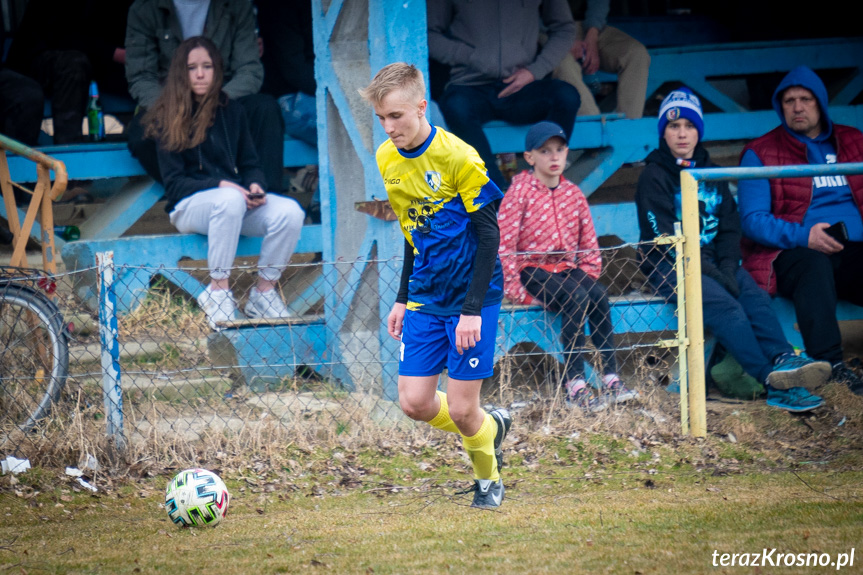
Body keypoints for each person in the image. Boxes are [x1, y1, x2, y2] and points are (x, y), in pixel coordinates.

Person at [359, 63, 512, 509]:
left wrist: (472, 309)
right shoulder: (388, 158)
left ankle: (488, 479)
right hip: (426, 295)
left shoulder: (460, 157)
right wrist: (403, 298)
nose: (389, 129)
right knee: (414, 403)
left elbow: (489, 237)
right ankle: (492, 427)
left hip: (471, 296)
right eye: (382, 119)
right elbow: (414, 232)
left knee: (463, 409)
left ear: (421, 107)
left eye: (396, 117)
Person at [636, 87, 832, 412]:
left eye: (689, 125)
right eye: (673, 126)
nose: (682, 133)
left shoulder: (710, 173)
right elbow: (665, 238)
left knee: (753, 297)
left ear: (699, 129)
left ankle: (784, 360)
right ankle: (771, 381)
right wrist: (716, 273)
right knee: (728, 308)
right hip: (669, 265)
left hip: (716, 263)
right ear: (663, 132)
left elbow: (729, 228)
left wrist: (727, 268)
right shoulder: (653, 176)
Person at [142, 36, 304, 330]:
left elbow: (251, 164)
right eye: (192, 68)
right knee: (229, 200)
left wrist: (255, 185)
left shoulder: (231, 110)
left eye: (207, 66)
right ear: (182, 73)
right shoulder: (168, 117)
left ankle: (263, 293)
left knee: (290, 211)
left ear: (217, 70)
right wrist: (221, 186)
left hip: (233, 205)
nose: (200, 74)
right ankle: (218, 291)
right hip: (190, 207)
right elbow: (175, 186)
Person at [738, 66, 863, 396]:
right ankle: (831, 367)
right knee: (813, 264)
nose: (797, 107)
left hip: (853, 249)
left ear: (820, 102)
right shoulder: (760, 152)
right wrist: (804, 236)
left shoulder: (854, 142)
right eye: (789, 100)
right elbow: (752, 219)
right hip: (792, 252)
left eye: (805, 99)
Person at [498, 121, 637, 411]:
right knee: (575, 296)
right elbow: (505, 242)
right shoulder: (519, 192)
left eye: (559, 150)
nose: (554, 157)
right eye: (545, 151)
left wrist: (586, 274)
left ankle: (610, 375)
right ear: (530, 157)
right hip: (531, 267)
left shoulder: (572, 194)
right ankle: (575, 383)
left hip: (564, 268)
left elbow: (588, 241)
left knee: (596, 293)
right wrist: (514, 288)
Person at [125, 0, 285, 191]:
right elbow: (142, 77)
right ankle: (197, 190)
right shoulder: (145, 8)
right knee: (140, 133)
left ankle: (262, 197)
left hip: (225, 100)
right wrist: (178, 107)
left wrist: (213, 103)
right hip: (171, 103)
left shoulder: (236, 5)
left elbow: (249, 70)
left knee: (265, 109)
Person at [427, 0, 581, 191]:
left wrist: (534, 71)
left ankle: (540, 189)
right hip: (470, 85)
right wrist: (470, 56)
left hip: (522, 87)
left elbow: (564, 29)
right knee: (455, 105)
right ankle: (496, 194)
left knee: (566, 96)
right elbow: (428, 34)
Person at [5, 0, 132, 144]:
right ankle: (67, 150)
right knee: (74, 65)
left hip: (98, 60)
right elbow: (64, 38)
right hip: (35, 58)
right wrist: (115, 53)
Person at [554, 0, 650, 119]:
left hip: (586, 25)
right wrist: (562, 40)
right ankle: (595, 128)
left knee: (636, 54)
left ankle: (628, 129)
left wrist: (592, 35)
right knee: (565, 64)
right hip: (548, 31)